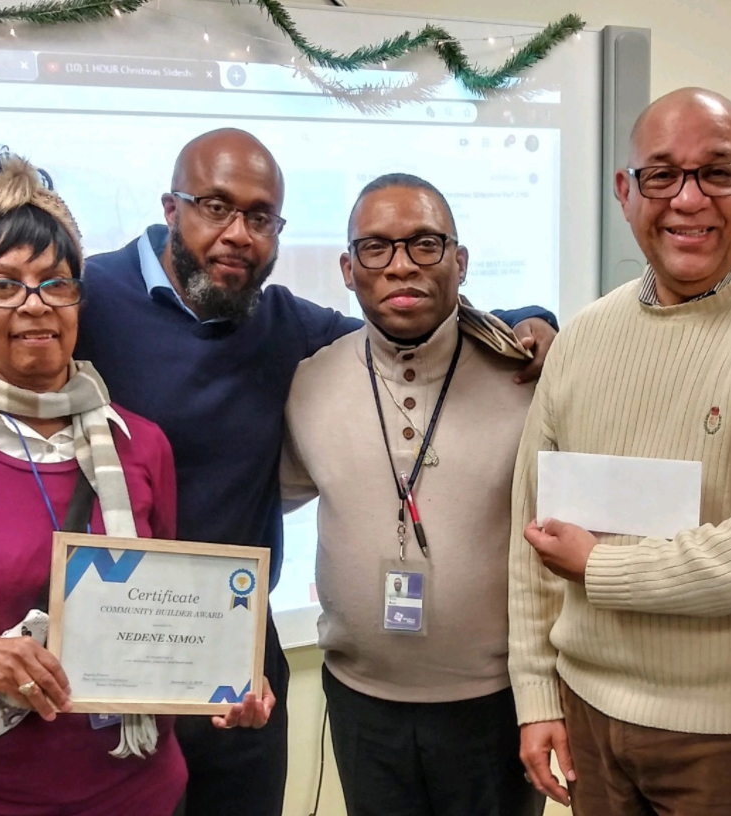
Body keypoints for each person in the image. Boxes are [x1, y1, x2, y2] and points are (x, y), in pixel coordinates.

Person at [0, 130, 557, 816]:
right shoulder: (85, 294)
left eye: (261, 217)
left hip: (231, 654)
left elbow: (404, 329)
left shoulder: (280, 324)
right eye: (215, 208)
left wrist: (527, 319)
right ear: (171, 209)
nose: (237, 234)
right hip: (90, 685)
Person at [0, 148, 271, 816]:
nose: (35, 305)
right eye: (4, 285)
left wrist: (229, 679)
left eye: (54, 283)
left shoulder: (139, 443)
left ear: (78, 295)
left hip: (146, 793)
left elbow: (169, 611)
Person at [507, 87, 731, 816]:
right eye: (663, 174)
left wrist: (602, 566)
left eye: (719, 172)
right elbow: (531, 533)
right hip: (585, 711)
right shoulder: (584, 335)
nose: (689, 199)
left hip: (724, 736)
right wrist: (537, 693)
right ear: (626, 191)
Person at [280, 174, 544, 816]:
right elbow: (268, 500)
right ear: (347, 268)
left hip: (496, 705)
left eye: (425, 245)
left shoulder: (527, 377)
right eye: (376, 248)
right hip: (360, 703)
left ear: (459, 261)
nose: (402, 266)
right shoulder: (309, 384)